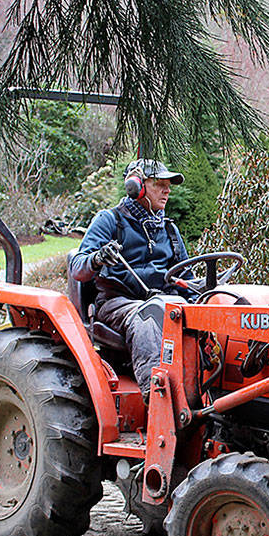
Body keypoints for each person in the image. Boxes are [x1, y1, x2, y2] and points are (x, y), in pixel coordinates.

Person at [70, 158, 191, 391]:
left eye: (169, 184)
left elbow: (186, 275)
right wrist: (97, 258)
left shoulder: (169, 229)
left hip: (164, 301)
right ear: (136, 187)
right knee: (148, 318)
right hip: (118, 303)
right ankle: (158, 398)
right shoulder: (109, 220)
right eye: (159, 184)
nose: (167, 190)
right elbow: (78, 267)